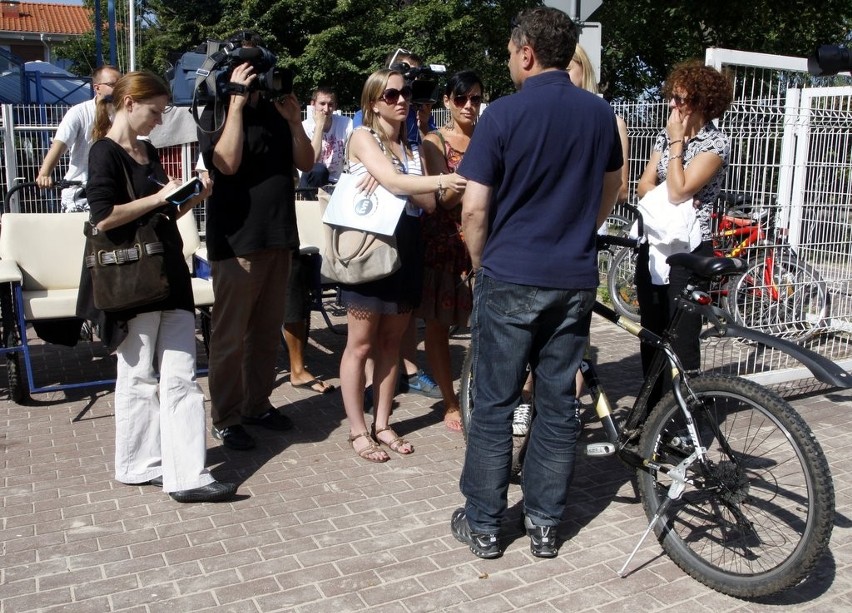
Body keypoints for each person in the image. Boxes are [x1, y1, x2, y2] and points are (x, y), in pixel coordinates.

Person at [452, 7, 623, 559]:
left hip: (510, 275)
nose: (508, 62)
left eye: (508, 52)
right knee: (556, 405)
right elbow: (613, 186)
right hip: (572, 279)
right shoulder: (599, 115)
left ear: (527, 52)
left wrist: (481, 265)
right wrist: (580, 232)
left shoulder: (501, 116)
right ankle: (546, 524)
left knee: (495, 404)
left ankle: (483, 523)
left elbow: (474, 209)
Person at [84, 71, 235, 503]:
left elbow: (162, 213)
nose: (159, 120)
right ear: (129, 104)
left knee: (179, 376)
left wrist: (191, 197)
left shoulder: (146, 149)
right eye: (155, 111)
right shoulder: (104, 153)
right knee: (137, 376)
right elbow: (104, 216)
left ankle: (185, 473)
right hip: (134, 278)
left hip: (166, 271)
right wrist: (158, 197)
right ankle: (140, 465)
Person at [340, 68, 466, 463]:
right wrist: (437, 180)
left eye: (406, 94)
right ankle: (358, 430)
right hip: (369, 249)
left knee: (392, 344)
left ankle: (382, 423)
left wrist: (410, 183)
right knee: (360, 344)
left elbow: (427, 203)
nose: (401, 101)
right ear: (372, 102)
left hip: (407, 250)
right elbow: (403, 187)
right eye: (391, 95)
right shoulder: (362, 137)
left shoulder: (410, 151)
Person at [198, 32, 315, 451]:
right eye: (251, 73)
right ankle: (226, 417)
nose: (259, 81)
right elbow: (226, 162)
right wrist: (234, 104)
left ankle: (257, 405)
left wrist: (294, 120)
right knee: (230, 339)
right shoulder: (215, 112)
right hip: (236, 243)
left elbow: (306, 161)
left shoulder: (277, 112)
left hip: (279, 236)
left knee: (266, 332)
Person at [635, 60, 733, 398]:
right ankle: (651, 414)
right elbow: (643, 185)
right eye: (672, 98)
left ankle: (681, 419)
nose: (673, 106)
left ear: (703, 103)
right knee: (651, 332)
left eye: (681, 100)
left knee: (682, 338)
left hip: (691, 252)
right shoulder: (663, 136)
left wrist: (677, 145)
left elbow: (678, 190)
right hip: (657, 244)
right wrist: (671, 190)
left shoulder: (715, 144)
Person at [419, 70, 482, 431]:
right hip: (445, 243)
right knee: (439, 326)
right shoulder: (434, 141)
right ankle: (449, 399)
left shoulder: (489, 135)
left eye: (475, 98)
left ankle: (483, 394)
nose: (469, 106)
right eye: (462, 98)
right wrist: (477, 163)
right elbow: (443, 199)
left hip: (483, 242)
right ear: (447, 101)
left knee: (486, 326)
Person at [37, 65, 122, 212]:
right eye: (113, 84)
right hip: (80, 191)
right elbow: (60, 145)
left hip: (114, 189)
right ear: (97, 88)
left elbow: (141, 144)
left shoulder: (124, 114)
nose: (119, 88)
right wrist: (44, 173)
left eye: (121, 84)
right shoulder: (79, 112)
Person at [299, 86, 353, 194]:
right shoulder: (304, 127)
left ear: (335, 106)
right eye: (322, 104)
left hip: (335, 181)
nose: (326, 109)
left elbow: (352, 155)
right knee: (318, 169)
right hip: (311, 180)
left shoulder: (346, 123)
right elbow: (312, 161)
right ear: (313, 104)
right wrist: (319, 126)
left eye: (330, 104)